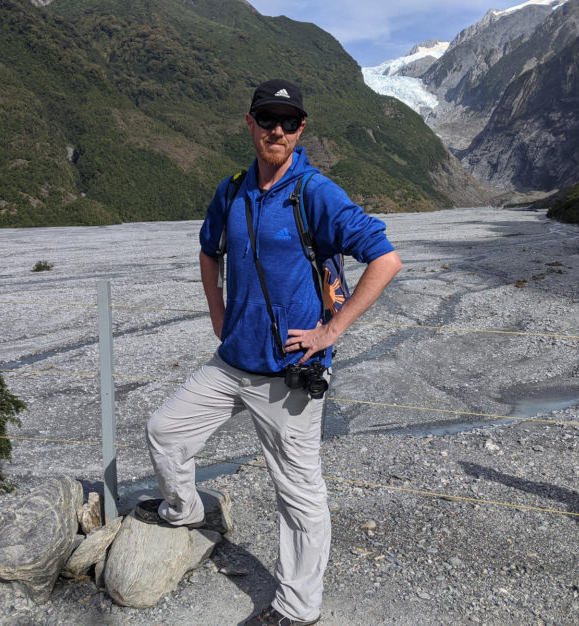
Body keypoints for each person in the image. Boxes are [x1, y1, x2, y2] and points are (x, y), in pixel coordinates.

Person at [136, 79, 402, 625]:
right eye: (266, 118)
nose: (275, 129)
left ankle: (298, 610)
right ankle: (184, 511)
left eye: (287, 121)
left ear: (301, 129)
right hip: (233, 361)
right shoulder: (231, 191)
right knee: (165, 430)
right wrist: (217, 312)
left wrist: (331, 333)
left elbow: (385, 259)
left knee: (298, 494)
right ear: (250, 123)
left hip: (290, 371)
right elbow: (210, 253)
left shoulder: (314, 192)